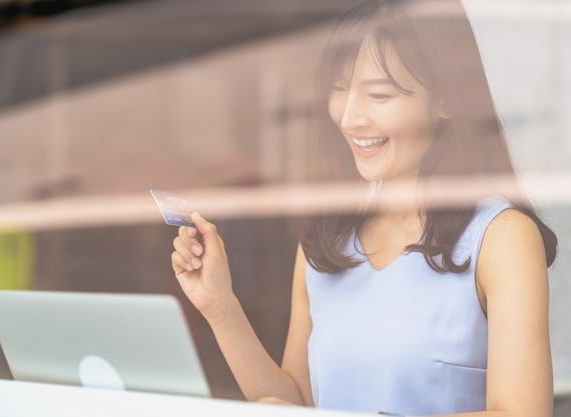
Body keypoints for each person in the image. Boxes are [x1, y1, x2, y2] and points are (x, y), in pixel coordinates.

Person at [170, 0, 558, 416]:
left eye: (378, 94)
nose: (350, 117)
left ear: (445, 101)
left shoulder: (502, 238)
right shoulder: (325, 239)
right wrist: (220, 306)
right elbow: (298, 402)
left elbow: (522, 412)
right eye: (339, 90)